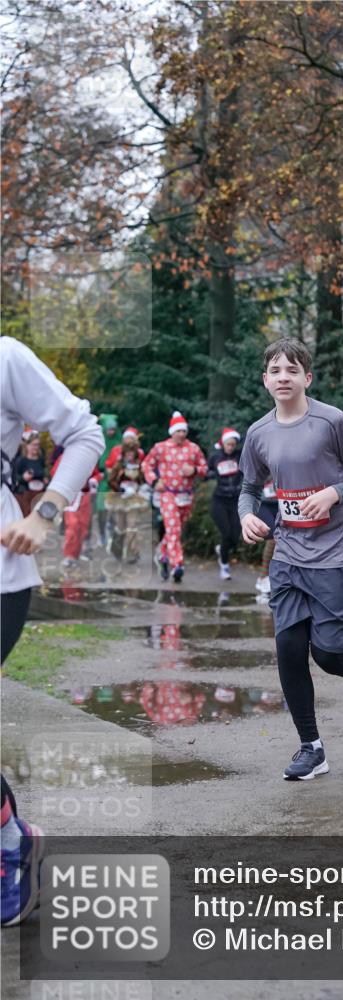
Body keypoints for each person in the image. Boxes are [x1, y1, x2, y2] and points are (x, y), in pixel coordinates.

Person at [238, 337, 343, 781]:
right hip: (289, 554)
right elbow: (249, 488)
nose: (284, 377)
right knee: (289, 650)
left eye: (293, 370)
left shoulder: (332, 422)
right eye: (276, 370)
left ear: (307, 378)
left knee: (328, 653)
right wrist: (248, 516)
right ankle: (311, 747)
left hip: (336, 553)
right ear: (265, 380)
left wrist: (332, 493)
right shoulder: (258, 433)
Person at [1, 337, 104, 926]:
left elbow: (85, 434)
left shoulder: (5, 358)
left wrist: (44, 512)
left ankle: (11, 846)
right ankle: (9, 836)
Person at [141, 411, 207, 583]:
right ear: (172, 432)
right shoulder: (161, 447)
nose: (182, 434)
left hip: (186, 495)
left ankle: (162, 555)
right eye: (178, 431)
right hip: (167, 494)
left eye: (184, 431)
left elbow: (204, 467)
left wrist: (194, 470)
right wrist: (154, 482)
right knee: (174, 529)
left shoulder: (193, 448)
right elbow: (146, 464)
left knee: (175, 532)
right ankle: (177, 564)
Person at [208, 427, 243, 581]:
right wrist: (211, 473)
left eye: (233, 445)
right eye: (228, 444)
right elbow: (205, 473)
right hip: (219, 500)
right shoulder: (216, 457)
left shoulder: (240, 456)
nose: (230, 447)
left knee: (235, 536)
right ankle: (224, 565)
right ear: (223, 444)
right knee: (227, 533)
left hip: (235, 499)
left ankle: (221, 549)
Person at [106, 440, 149, 563]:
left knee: (132, 525)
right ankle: (117, 550)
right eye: (128, 453)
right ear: (124, 453)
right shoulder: (119, 465)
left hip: (134, 498)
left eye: (132, 453)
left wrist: (142, 488)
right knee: (120, 526)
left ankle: (133, 552)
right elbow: (111, 480)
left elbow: (143, 480)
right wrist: (121, 489)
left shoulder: (139, 465)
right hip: (120, 497)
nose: (130, 455)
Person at [95, 414, 121, 546]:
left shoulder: (118, 442)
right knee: (101, 508)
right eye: (109, 429)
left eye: (113, 430)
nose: (111, 432)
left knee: (115, 508)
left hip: (115, 480)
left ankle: (113, 531)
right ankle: (102, 534)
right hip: (102, 479)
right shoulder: (100, 440)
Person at [12, 429, 48, 517]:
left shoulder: (40, 459)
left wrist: (46, 479)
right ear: (27, 445)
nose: (36, 447)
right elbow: (14, 479)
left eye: (38, 445)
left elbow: (45, 472)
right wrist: (23, 478)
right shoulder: (21, 461)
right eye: (34, 445)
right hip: (25, 496)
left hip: (39, 495)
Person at [254, 479, 278, 598]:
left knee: (281, 538)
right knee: (274, 535)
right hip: (263, 502)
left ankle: (269, 577)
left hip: (282, 501)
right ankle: (264, 577)